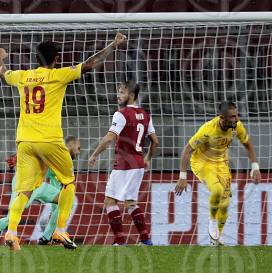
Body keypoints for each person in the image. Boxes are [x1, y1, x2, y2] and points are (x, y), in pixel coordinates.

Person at [0, 32, 127, 251]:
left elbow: (1, 72)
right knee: (68, 183)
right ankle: (60, 230)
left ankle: (12, 232)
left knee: (24, 191)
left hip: (25, 142)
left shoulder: (23, 76)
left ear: (36, 59)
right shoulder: (58, 75)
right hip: (50, 140)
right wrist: (113, 45)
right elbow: (89, 64)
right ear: (56, 59)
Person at [175, 101, 261, 245]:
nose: (237, 119)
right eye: (233, 116)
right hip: (202, 163)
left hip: (221, 163)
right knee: (217, 191)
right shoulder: (208, 130)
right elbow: (187, 150)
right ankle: (212, 220)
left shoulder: (237, 126)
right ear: (222, 117)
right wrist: (182, 177)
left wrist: (255, 166)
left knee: (225, 203)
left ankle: (216, 239)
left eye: (237, 115)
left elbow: (247, 144)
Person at [88, 81, 159, 245]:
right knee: (130, 202)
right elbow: (155, 141)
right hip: (138, 163)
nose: (118, 95)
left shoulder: (121, 114)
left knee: (110, 201)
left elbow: (110, 137)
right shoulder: (145, 114)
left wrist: (94, 154)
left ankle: (120, 242)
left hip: (124, 165)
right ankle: (145, 240)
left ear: (131, 95)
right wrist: (148, 158)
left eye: (121, 92)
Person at [0, 136, 81, 248]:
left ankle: (46, 238)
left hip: (40, 185)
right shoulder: (55, 147)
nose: (78, 152)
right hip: (26, 181)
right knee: (12, 217)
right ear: (70, 145)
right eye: (78, 148)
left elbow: (55, 185)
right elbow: (36, 147)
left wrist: (53, 213)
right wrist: (19, 157)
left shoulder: (61, 159)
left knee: (66, 201)